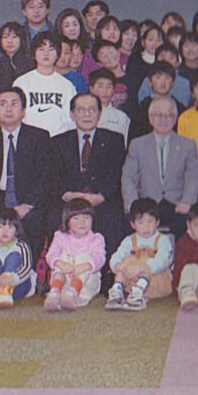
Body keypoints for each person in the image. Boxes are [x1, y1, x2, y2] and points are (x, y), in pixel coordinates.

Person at [0, 87, 54, 254]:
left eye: (14, 104)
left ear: (23, 111)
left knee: (35, 219)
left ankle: (27, 268)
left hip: (26, 198)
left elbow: (45, 177)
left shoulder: (39, 137)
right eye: (3, 104)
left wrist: (28, 205)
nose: (8, 109)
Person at [52, 93, 128, 273]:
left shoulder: (114, 140)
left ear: (100, 114)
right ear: (72, 114)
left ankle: (108, 275)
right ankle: (63, 271)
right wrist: (69, 195)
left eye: (92, 110)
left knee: (113, 219)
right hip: (69, 200)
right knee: (53, 217)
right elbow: (54, 177)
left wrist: (100, 196)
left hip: (101, 199)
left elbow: (116, 175)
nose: (87, 114)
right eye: (81, 110)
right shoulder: (58, 142)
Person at [122, 95, 198, 234]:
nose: (163, 119)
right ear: (150, 118)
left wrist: (187, 201)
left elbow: (192, 177)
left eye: (168, 115)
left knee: (187, 225)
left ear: (175, 119)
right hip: (146, 205)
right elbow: (128, 177)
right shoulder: (137, 144)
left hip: (177, 205)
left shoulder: (188, 145)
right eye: (158, 115)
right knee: (128, 224)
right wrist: (133, 204)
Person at [105, 198, 174, 312]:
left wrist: (143, 268)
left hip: (156, 281)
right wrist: (118, 265)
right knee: (125, 263)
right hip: (132, 280)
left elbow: (162, 260)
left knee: (143, 261)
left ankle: (138, 293)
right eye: (140, 222)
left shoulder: (163, 240)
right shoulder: (129, 240)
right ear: (133, 224)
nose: (145, 227)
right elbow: (118, 255)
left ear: (157, 222)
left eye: (150, 222)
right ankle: (117, 291)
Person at [43, 198, 105, 311]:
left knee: (83, 257)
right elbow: (51, 254)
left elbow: (100, 257)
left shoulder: (97, 239)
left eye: (86, 217)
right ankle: (54, 292)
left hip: (86, 284)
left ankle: (73, 293)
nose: (82, 222)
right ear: (67, 222)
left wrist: (86, 266)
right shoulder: (60, 236)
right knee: (64, 257)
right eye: (76, 218)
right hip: (64, 281)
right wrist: (62, 264)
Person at [129, 62, 185, 142]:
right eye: (158, 77)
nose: (163, 82)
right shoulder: (140, 111)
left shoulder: (181, 110)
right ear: (150, 82)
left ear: (173, 83)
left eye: (167, 78)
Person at [0, 21, 33, 103]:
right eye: (5, 37)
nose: (9, 41)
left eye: (14, 37)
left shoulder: (31, 63)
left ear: (22, 40)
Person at [89, 68, 131, 144]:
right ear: (91, 89)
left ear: (113, 90)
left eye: (108, 87)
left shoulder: (121, 117)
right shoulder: (84, 114)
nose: (105, 91)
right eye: (100, 86)